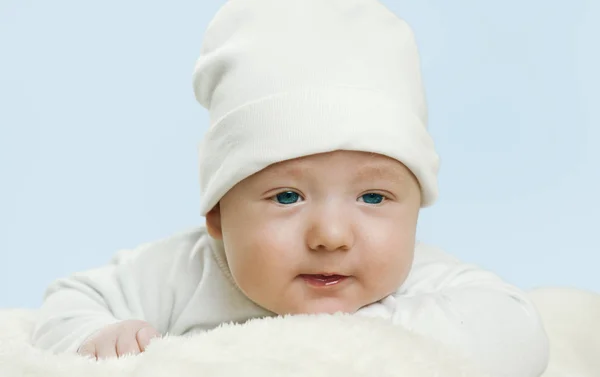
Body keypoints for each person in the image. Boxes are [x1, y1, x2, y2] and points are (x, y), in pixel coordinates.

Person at [31, 0, 549, 375]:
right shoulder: (180, 273)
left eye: (373, 197)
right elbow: (69, 302)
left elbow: (518, 333)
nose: (330, 235)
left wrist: (346, 339)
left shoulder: (425, 283)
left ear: (416, 209)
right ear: (216, 213)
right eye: (287, 197)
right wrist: (95, 338)